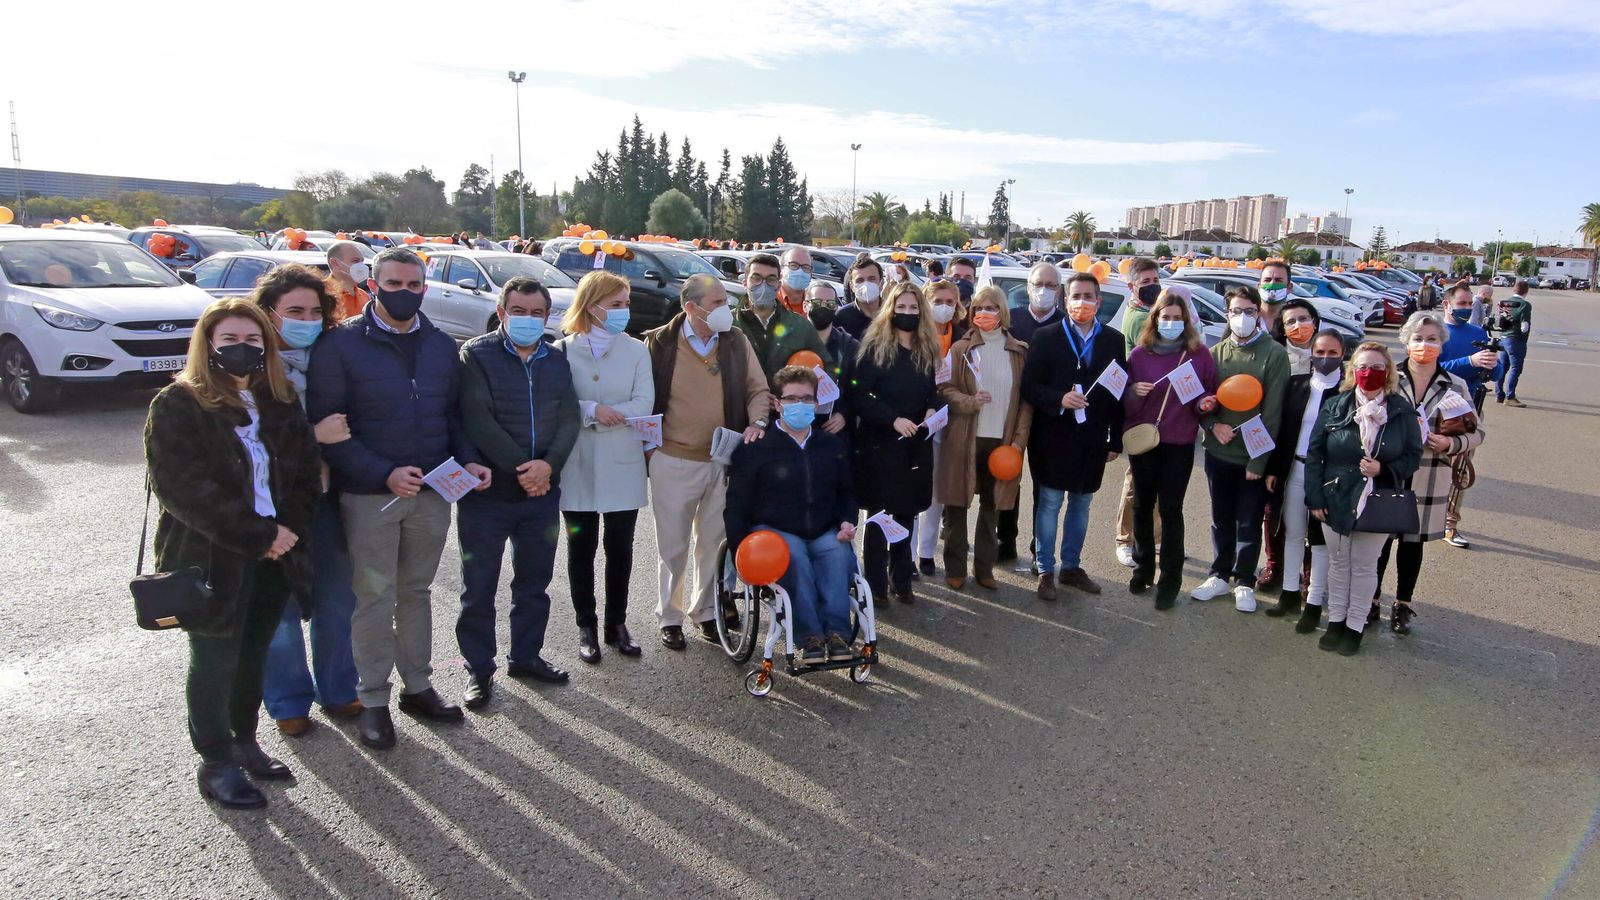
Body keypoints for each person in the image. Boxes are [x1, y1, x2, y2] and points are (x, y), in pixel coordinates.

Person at [306, 247, 491, 750]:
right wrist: (382, 474)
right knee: (373, 598)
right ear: (373, 284)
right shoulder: (338, 346)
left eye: (414, 285)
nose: (404, 293)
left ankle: (418, 686)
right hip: (371, 497)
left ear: (424, 288)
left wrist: (468, 458)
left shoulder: (439, 344)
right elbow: (331, 428)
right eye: (394, 284)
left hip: (432, 492)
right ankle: (373, 701)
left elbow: (453, 416)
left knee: (416, 593)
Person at [144, 298, 322, 808]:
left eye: (252, 340)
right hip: (213, 554)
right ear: (208, 345)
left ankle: (245, 741)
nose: (241, 350)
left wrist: (286, 531)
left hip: (276, 553)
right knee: (214, 657)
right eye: (229, 341)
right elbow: (181, 488)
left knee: (253, 652)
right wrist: (257, 534)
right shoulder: (179, 403)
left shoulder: (279, 400)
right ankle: (216, 761)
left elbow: (306, 474)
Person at [454, 277, 580, 708]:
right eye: (518, 311)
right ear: (502, 312)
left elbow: (569, 419)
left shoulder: (555, 359)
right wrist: (523, 469)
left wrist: (548, 467)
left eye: (536, 313)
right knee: (479, 587)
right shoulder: (476, 354)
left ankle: (525, 656)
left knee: (534, 583)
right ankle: (479, 669)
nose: (528, 319)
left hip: (540, 495)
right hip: (488, 496)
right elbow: (477, 418)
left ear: (547, 316)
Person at [253, 266, 363, 737]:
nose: (306, 320)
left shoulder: (332, 357)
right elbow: (241, 446)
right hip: (270, 508)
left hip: (325, 499)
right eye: (294, 311)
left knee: (337, 599)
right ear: (269, 314)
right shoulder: (249, 367)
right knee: (277, 607)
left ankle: (339, 689)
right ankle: (287, 701)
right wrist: (311, 437)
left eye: (315, 312)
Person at [643, 274, 771, 649]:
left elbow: (757, 389)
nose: (725, 311)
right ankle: (670, 616)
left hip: (721, 460)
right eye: (716, 304)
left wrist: (758, 421)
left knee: (714, 542)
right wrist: (651, 452)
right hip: (672, 458)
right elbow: (642, 399)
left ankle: (706, 613)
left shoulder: (735, 342)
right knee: (673, 544)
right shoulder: (659, 344)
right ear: (691, 308)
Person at [724, 366, 858, 663]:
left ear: (816, 403)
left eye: (807, 399)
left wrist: (849, 520)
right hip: (776, 529)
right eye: (793, 398)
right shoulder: (756, 448)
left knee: (837, 553)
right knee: (794, 556)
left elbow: (847, 491)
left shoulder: (830, 445)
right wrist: (739, 552)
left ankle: (837, 633)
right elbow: (736, 506)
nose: (801, 405)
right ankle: (810, 635)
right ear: (777, 403)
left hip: (823, 527)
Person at [556, 271, 654, 664]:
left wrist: (613, 414)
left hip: (622, 463)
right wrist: (591, 411)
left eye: (625, 304)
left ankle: (617, 623)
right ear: (591, 306)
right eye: (615, 305)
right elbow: (559, 403)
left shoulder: (637, 350)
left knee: (620, 547)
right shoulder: (562, 350)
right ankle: (586, 625)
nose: (622, 312)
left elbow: (643, 402)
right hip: (576, 463)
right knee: (581, 547)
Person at [1303, 342, 1423, 656]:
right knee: (1339, 564)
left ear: (1388, 373)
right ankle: (1336, 621)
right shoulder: (1336, 405)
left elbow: (1413, 455)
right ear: (1353, 370)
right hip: (1336, 496)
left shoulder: (1401, 410)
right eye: (1363, 366)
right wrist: (1315, 497)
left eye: (1378, 367)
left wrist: (1384, 468)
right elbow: (1315, 453)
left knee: (1365, 566)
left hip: (1377, 500)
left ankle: (1355, 625)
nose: (1370, 373)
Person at [1371, 311, 1485, 635]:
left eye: (1432, 339)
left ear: (1442, 344)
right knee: (1380, 541)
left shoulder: (1455, 385)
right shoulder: (1387, 378)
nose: (1424, 345)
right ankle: (1372, 600)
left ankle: (1402, 605)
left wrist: (1450, 442)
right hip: (1389, 471)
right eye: (1418, 338)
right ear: (1406, 342)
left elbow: (1476, 433)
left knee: (1412, 543)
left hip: (1430, 474)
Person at [1021, 272, 1126, 600]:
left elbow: (1118, 390)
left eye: (1089, 296)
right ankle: (1045, 569)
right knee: (1050, 502)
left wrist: (1115, 439)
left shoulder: (1112, 340)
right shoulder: (1047, 337)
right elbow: (1029, 387)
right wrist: (1059, 398)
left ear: (1099, 301)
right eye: (1076, 295)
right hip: (1053, 436)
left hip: (1092, 438)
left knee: (1082, 502)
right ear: (1066, 301)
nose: (1082, 302)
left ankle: (1071, 566)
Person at [1191, 286, 1290, 612]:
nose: (1242, 318)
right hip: (1219, 455)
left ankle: (1244, 580)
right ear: (1227, 314)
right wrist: (1210, 424)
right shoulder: (1216, 353)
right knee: (1221, 518)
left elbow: (1273, 414)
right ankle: (1219, 574)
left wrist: (1259, 462)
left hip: (1251, 459)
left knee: (1248, 521)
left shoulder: (1274, 354)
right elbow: (1202, 402)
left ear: (1258, 313)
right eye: (1236, 311)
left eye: (1249, 311)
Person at [1122, 290, 1220, 609]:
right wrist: (1134, 391)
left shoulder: (1200, 355)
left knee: (1170, 510)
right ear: (1155, 319)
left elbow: (1209, 396)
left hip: (1178, 443)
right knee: (1141, 506)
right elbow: (1124, 402)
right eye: (1166, 317)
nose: (1172, 323)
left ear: (1187, 321)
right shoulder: (1139, 356)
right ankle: (1143, 568)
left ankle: (1170, 580)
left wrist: (1207, 403)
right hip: (1144, 441)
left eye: (1178, 318)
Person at [935, 286, 1032, 590]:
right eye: (978, 308)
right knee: (957, 505)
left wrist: (1018, 442)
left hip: (1001, 443)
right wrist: (969, 401)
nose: (983, 314)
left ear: (1002, 312)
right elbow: (946, 390)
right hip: (966, 437)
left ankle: (985, 569)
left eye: (990, 308)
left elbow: (1026, 404)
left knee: (992, 507)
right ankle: (955, 568)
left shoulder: (1018, 352)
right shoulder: (960, 350)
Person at [849, 281, 940, 603]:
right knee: (879, 519)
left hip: (915, 444)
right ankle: (874, 585)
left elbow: (934, 389)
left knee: (906, 513)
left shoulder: (928, 348)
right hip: (881, 444)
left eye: (913, 308)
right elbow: (859, 395)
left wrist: (931, 407)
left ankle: (901, 579)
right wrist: (891, 419)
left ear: (921, 312)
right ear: (891, 310)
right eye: (901, 307)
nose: (907, 313)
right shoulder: (875, 348)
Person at [1264, 329, 1346, 625]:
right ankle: (1288, 594)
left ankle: (1312, 602)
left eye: (1332, 353)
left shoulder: (1348, 393)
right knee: (1293, 533)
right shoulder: (1295, 385)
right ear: (1311, 354)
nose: (1325, 358)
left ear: (1343, 355)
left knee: (1320, 541)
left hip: (1327, 477)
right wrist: (1274, 468)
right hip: (1294, 469)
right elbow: (1281, 430)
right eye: (1320, 352)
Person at [1254, 298, 1324, 594]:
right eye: (1291, 321)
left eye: (1304, 318)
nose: (1299, 326)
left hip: (1314, 450)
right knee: (1274, 511)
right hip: (1277, 446)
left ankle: (1309, 574)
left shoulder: (1327, 356)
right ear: (1281, 329)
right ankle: (1275, 566)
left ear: (1315, 321)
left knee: (1312, 515)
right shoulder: (1275, 356)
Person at [1002, 260, 1066, 562]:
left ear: (1060, 291)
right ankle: (1005, 541)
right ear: (1027, 288)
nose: (1044, 291)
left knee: (1046, 490)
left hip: (1051, 419)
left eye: (1051, 286)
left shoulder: (1067, 326)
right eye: (1038, 285)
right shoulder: (1009, 321)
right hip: (1011, 414)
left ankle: (1039, 548)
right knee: (1007, 478)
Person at [1114, 257, 1169, 569]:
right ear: (1131, 286)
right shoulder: (1138, 318)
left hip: (1160, 410)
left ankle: (1155, 538)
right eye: (1145, 282)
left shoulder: (1154, 314)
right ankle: (1125, 539)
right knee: (1136, 479)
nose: (1152, 286)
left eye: (1155, 280)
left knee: (1157, 480)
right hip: (1142, 408)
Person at [1437, 283, 1501, 549]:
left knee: (1459, 470)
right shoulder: (1434, 333)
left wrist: (1493, 364)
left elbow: (1496, 375)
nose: (1465, 309)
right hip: (1435, 410)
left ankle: (1449, 524)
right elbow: (1430, 368)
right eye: (1460, 304)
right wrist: (1469, 362)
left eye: (1467, 304)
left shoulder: (1478, 333)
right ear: (1446, 305)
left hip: (1468, 412)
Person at [913, 278, 968, 576]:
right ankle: (905, 553)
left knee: (937, 493)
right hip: (919, 420)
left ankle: (926, 552)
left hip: (951, 422)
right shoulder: (915, 336)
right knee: (912, 490)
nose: (944, 308)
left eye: (950, 302)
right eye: (938, 301)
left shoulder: (962, 336)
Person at [735, 253, 830, 379]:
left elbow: (827, 366)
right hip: (743, 398)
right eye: (756, 278)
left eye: (771, 279)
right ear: (745, 282)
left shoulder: (799, 326)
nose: (763, 285)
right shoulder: (729, 325)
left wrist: (808, 395)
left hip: (786, 398)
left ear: (778, 285)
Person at [802, 280, 855, 437]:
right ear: (805, 305)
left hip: (834, 432)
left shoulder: (849, 346)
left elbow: (861, 388)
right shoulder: (791, 342)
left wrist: (845, 414)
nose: (824, 307)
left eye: (830, 304)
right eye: (817, 302)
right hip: (796, 428)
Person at [1493, 280, 1533, 407]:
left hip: (1503, 337)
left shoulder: (1503, 302)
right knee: (1515, 368)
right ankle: (1510, 396)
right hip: (1516, 339)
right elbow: (1524, 326)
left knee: (1503, 367)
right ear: (1526, 291)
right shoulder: (1525, 305)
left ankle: (1499, 394)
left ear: (1513, 289)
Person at [834, 257, 885, 338]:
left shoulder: (893, 313)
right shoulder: (841, 317)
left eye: (871, 279)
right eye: (860, 280)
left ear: (881, 283)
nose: (866, 285)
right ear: (852, 286)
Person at [325, 241, 370, 321]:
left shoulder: (364, 295)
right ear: (335, 263)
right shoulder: (321, 293)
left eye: (362, 261)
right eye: (355, 261)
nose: (361, 266)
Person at [776, 245, 814, 315]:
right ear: (781, 269)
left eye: (805, 267)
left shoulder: (815, 303)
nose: (800, 271)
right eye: (793, 265)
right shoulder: (770, 301)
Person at [1257, 258, 1293, 326]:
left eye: (1278, 280)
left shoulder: (1296, 320)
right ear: (1258, 287)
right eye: (1267, 280)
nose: (1272, 284)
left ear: (1289, 287)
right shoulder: (1249, 317)